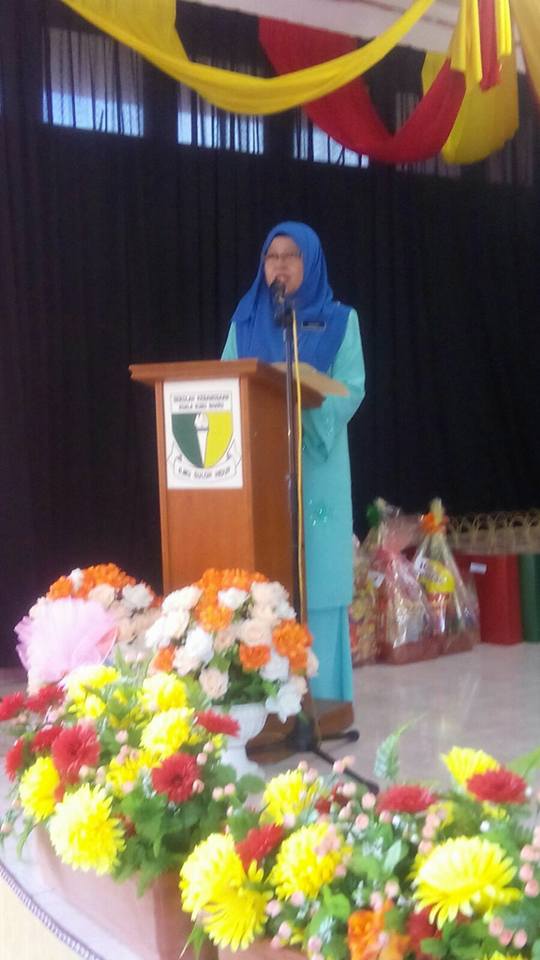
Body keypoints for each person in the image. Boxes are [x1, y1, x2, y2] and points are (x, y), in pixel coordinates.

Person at [222, 221, 365, 702]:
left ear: (311, 261)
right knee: (261, 583)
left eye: (291, 255)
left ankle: (323, 703)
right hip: (260, 470)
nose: (279, 265)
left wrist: (307, 413)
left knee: (317, 581)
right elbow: (226, 387)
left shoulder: (341, 320)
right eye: (272, 256)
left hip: (317, 465)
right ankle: (263, 703)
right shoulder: (244, 322)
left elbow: (351, 388)